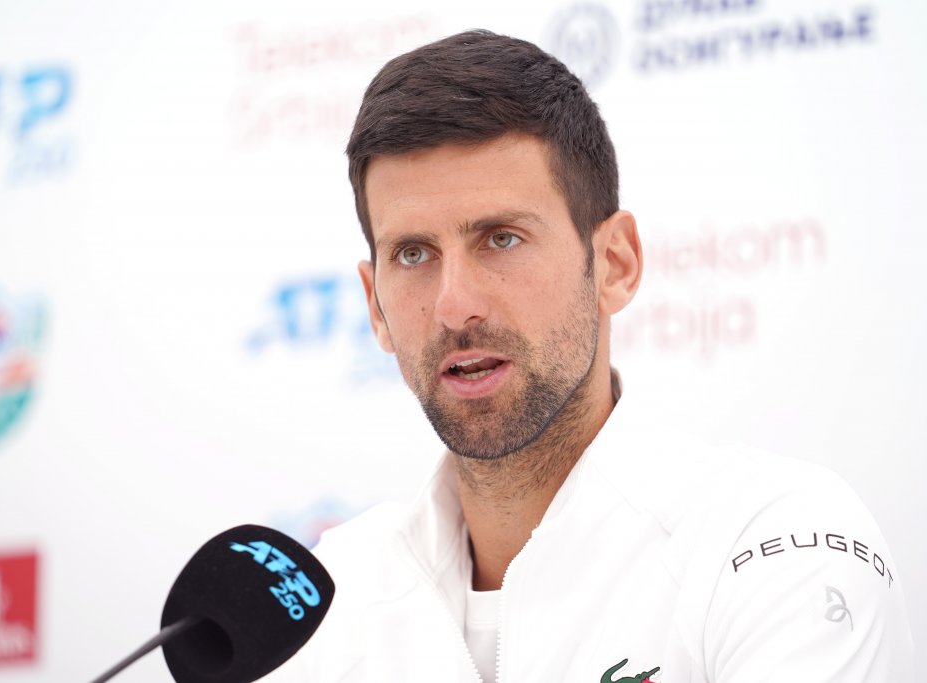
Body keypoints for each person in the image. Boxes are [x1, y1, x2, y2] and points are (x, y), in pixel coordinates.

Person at [265, 30, 913, 682]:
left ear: (615, 263)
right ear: (375, 305)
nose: (454, 306)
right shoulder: (320, 608)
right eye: (413, 254)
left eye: (501, 238)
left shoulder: (772, 542)